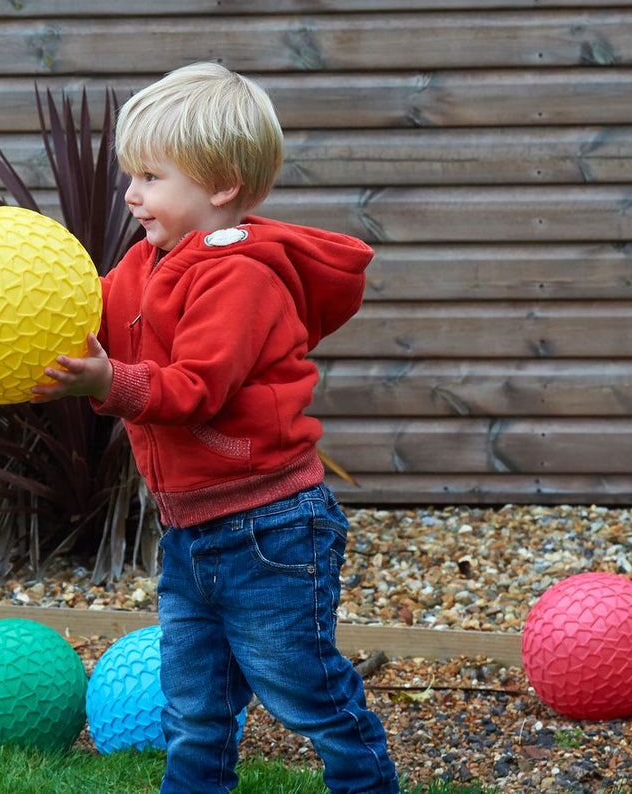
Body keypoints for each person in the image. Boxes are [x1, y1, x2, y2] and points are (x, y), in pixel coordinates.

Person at [32, 62, 399, 792]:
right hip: (193, 530)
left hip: (271, 529)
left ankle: (366, 784)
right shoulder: (142, 264)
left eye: (149, 176)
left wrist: (109, 382)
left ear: (220, 184)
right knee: (194, 705)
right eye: (128, 175)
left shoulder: (242, 276)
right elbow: (87, 315)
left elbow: (195, 388)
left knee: (302, 691)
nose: (131, 195)